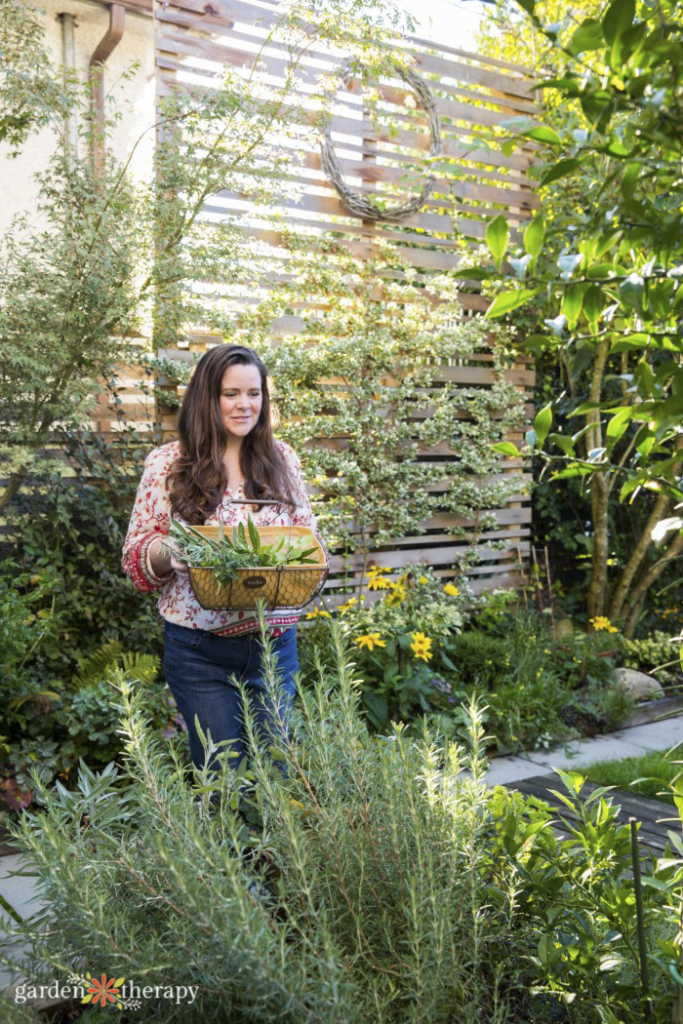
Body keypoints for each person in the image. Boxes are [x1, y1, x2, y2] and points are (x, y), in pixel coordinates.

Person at [121, 344, 328, 780]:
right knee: (223, 785)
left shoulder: (281, 459)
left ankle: (275, 853)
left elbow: (308, 541)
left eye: (254, 394)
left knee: (278, 781)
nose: (245, 405)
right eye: (231, 393)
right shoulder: (169, 464)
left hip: (274, 647)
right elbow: (136, 556)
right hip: (201, 653)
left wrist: (303, 560)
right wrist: (169, 552)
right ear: (207, 398)